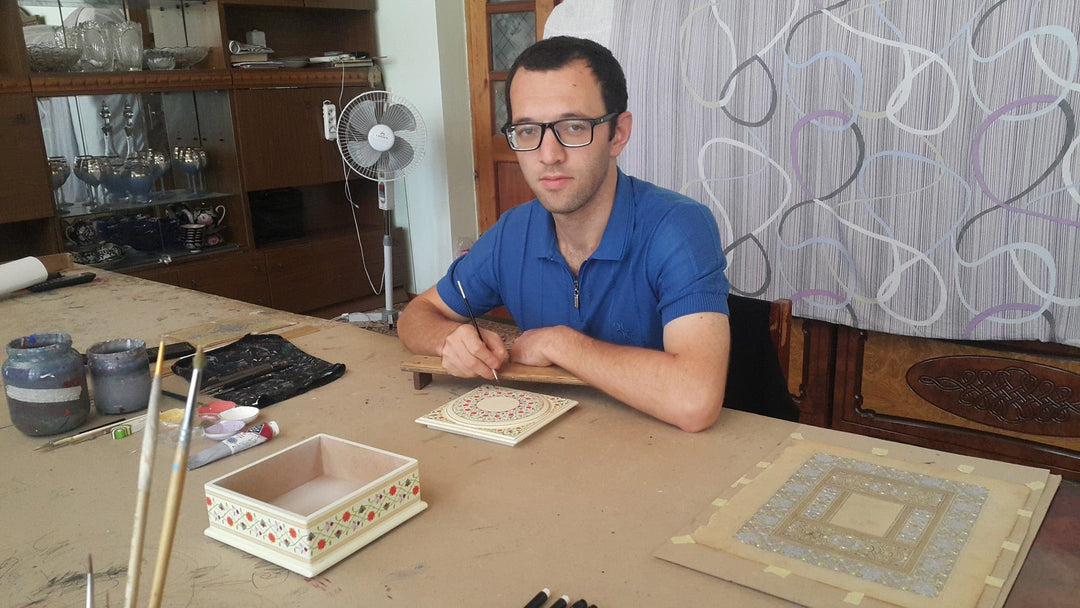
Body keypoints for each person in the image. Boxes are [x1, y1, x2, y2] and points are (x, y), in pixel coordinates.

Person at [397, 36, 731, 432]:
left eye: (573, 126)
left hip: (661, 456)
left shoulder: (679, 228)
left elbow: (696, 400)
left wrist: (561, 343)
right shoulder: (513, 232)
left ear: (618, 134)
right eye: (526, 130)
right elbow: (415, 316)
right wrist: (449, 340)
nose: (548, 154)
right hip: (549, 447)